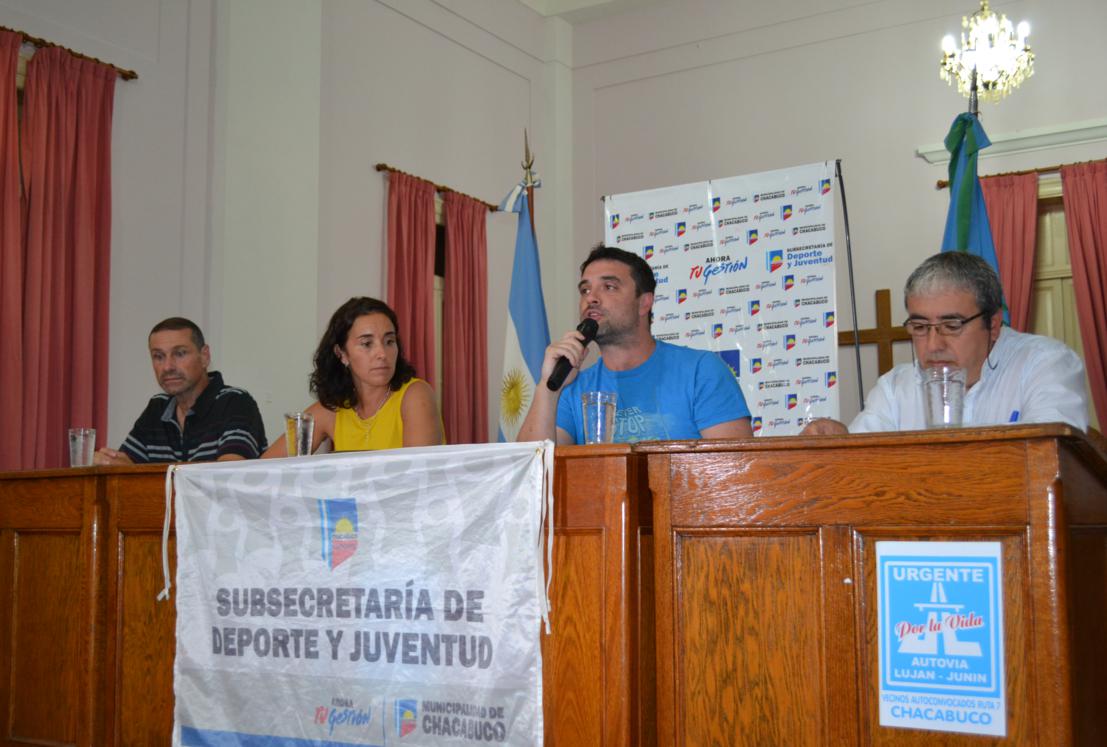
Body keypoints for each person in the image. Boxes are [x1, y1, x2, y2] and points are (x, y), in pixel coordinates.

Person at [803, 252, 1089, 435]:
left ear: (993, 324)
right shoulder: (895, 388)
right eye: (919, 327)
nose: (933, 345)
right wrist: (842, 447)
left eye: (951, 326)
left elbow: (1050, 460)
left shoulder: (1045, 364)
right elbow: (861, 469)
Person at [517, 245, 752, 444]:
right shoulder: (572, 388)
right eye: (585, 290)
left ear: (644, 303)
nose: (591, 298)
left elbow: (733, 471)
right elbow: (531, 472)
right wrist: (548, 388)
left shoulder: (700, 371)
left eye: (609, 287)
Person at [263, 297, 443, 456]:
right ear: (341, 354)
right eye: (367, 344)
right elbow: (264, 467)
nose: (382, 353)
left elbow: (418, 476)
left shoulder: (415, 394)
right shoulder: (334, 409)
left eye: (389, 341)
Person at [94, 318, 268, 464]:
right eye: (158, 356)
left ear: (205, 356)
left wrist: (135, 474)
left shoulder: (235, 402)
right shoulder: (158, 407)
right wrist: (107, 462)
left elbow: (226, 476)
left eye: (180, 353)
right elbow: (127, 467)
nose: (167, 367)